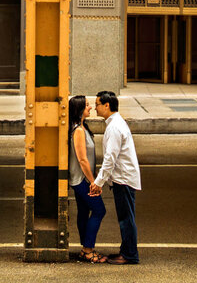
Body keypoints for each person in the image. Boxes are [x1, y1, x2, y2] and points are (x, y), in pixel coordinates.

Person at [89, 90, 140, 265]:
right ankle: (126, 251)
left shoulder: (114, 127)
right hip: (123, 177)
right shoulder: (116, 123)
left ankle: (130, 255)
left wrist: (98, 182)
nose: (95, 108)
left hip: (123, 179)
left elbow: (110, 158)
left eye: (97, 104)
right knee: (126, 217)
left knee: (126, 218)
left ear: (106, 105)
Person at [67, 95, 107, 264]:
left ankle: (85, 248)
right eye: (87, 106)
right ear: (79, 110)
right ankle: (87, 250)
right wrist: (94, 182)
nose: (90, 108)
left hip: (84, 178)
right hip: (82, 179)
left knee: (84, 212)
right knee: (99, 210)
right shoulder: (78, 131)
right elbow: (82, 160)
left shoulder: (83, 128)